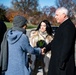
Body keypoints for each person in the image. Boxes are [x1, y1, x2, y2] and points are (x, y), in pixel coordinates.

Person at [43, 7, 76, 75]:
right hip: (58, 63)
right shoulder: (63, 26)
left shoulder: (68, 26)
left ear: (64, 15)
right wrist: (46, 48)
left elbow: (67, 46)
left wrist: (61, 62)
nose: (55, 17)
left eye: (57, 15)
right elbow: (55, 41)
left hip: (63, 66)